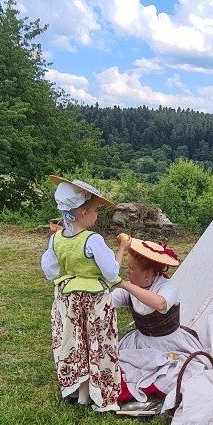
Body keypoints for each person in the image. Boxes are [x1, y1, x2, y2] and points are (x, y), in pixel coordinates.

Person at [112, 235, 213, 425]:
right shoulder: (134, 287)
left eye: (132, 269)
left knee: (183, 376)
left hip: (171, 343)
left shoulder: (167, 287)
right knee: (116, 368)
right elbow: (110, 301)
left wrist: (124, 284)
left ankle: (163, 402)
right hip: (141, 341)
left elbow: (160, 304)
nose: (128, 271)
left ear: (148, 274)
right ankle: (147, 402)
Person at [40, 175, 124, 412]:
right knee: (97, 342)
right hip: (94, 299)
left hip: (69, 299)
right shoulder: (93, 240)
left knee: (75, 342)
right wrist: (122, 251)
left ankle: (77, 390)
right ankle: (97, 392)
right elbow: (111, 272)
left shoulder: (56, 238)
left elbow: (50, 270)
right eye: (96, 210)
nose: (98, 214)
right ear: (84, 212)